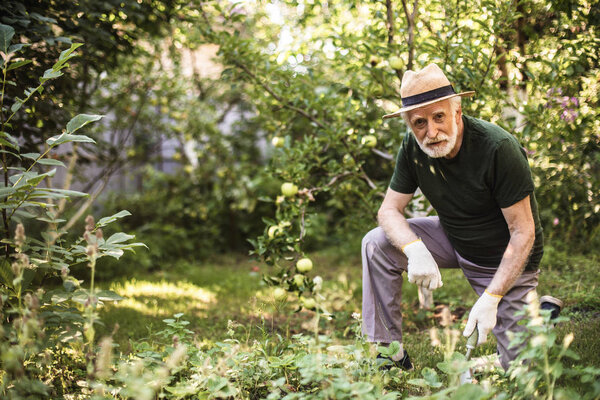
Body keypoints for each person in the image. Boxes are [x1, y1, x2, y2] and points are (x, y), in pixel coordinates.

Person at [361, 63, 561, 371]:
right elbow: (388, 210)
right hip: (454, 238)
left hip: (505, 259)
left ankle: (541, 318)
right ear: (409, 125)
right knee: (376, 243)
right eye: (419, 122)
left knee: (521, 370)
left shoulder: (498, 148)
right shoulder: (413, 148)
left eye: (438, 116)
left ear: (457, 111)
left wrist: (493, 296)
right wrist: (413, 248)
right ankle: (390, 354)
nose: (431, 132)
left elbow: (524, 233)